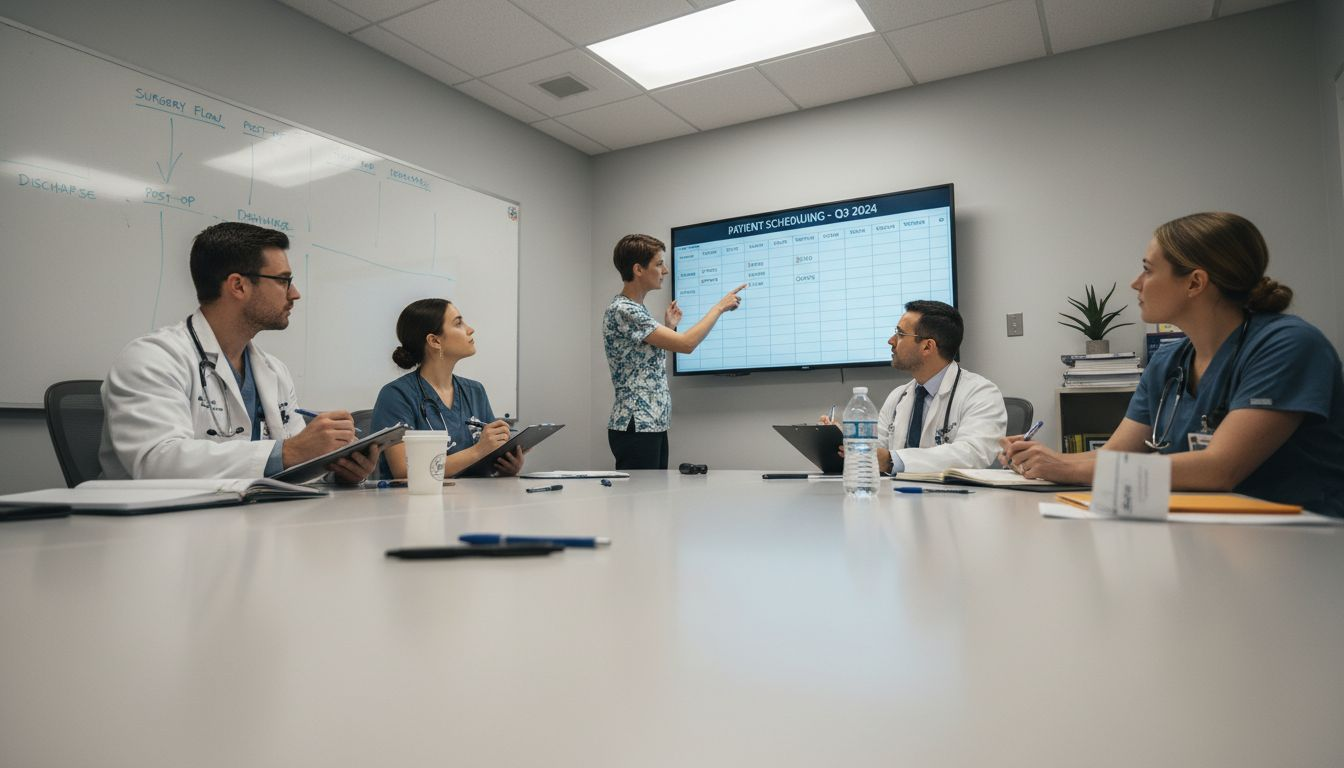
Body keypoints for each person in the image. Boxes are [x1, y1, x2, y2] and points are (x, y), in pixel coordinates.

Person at [1000, 212, 1344, 516]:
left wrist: (1066, 469)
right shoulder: (1169, 362)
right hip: (1207, 531)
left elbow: (1218, 468)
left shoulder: (1287, 346)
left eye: (1148, 270)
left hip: (1301, 540)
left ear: (1195, 282)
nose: (1136, 283)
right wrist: (1039, 458)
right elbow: (1115, 455)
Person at [100, 222, 377, 482]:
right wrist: (291, 451)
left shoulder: (273, 371)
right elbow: (156, 462)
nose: (294, 294)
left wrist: (335, 469)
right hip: (151, 527)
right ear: (238, 285)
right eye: (283, 280)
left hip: (247, 519)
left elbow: (293, 460)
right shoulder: (153, 359)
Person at [604, 234, 745, 470]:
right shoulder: (623, 310)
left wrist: (668, 327)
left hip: (652, 424)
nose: (665, 270)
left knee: (654, 501)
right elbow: (687, 344)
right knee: (640, 502)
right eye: (659, 264)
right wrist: (719, 307)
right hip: (637, 425)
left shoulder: (638, 310)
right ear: (638, 269)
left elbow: (643, 362)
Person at [824, 300, 1007, 474]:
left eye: (900, 334)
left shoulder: (981, 393)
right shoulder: (899, 396)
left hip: (954, 503)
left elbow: (973, 454)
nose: (891, 341)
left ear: (928, 347)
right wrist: (848, 442)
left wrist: (891, 460)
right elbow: (877, 449)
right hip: (897, 500)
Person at [371, 298, 520, 479]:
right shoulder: (396, 395)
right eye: (458, 323)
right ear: (435, 341)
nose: (470, 329)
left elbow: (488, 457)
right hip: (416, 505)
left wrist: (504, 467)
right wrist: (477, 451)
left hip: (475, 502)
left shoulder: (475, 391)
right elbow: (404, 471)